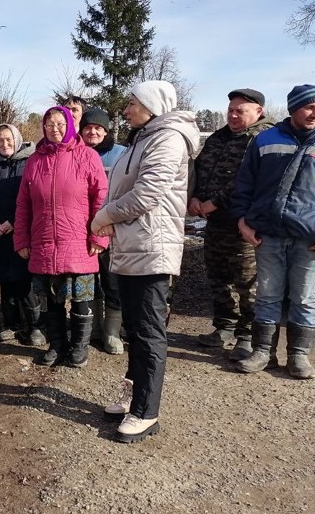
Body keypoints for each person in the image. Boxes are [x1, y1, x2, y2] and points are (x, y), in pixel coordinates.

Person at [91, 80, 200, 443]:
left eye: (132, 103)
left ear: (151, 105)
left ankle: (146, 411)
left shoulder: (167, 139)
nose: (126, 109)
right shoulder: (146, 137)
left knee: (150, 331)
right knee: (135, 329)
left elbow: (146, 195)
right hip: (135, 246)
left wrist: (105, 216)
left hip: (152, 249)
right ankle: (133, 396)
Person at [231, 84, 315, 380]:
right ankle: (263, 351)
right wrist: (242, 219)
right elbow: (245, 184)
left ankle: (299, 356)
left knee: (304, 296)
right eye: (309, 107)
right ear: (293, 108)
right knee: (268, 294)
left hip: (312, 237)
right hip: (268, 233)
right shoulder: (265, 139)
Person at [15, 106, 108, 368]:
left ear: (70, 125)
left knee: (81, 298)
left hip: (78, 241)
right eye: (48, 124)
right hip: (43, 241)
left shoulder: (87, 156)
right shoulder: (35, 160)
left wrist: (99, 236)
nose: (54, 129)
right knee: (50, 300)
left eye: (60, 124)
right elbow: (24, 204)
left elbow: (101, 198)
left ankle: (79, 348)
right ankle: (57, 345)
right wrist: (21, 239)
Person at [190, 89, 271, 361]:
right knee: (218, 277)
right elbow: (200, 168)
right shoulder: (219, 137)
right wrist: (195, 197)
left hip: (243, 225)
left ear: (258, 111)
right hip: (215, 222)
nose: (233, 115)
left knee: (247, 282)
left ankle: (247, 337)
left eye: (240, 111)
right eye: (230, 110)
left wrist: (216, 201)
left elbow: (247, 178)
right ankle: (223, 327)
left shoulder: (261, 138)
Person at [0, 124, 41, 344]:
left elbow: (33, 198)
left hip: (21, 231)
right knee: (5, 281)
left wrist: (15, 223)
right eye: (0, 140)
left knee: (23, 280)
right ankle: (10, 324)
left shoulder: (29, 163)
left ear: (17, 140)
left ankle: (35, 326)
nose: (4, 144)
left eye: (8, 140)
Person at [79, 108, 127, 354]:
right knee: (87, 281)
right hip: (80, 228)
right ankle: (92, 327)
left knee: (112, 280)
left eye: (98, 127)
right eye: (88, 127)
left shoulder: (120, 155)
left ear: (106, 131)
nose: (93, 131)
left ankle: (111, 331)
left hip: (111, 228)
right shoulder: (76, 153)